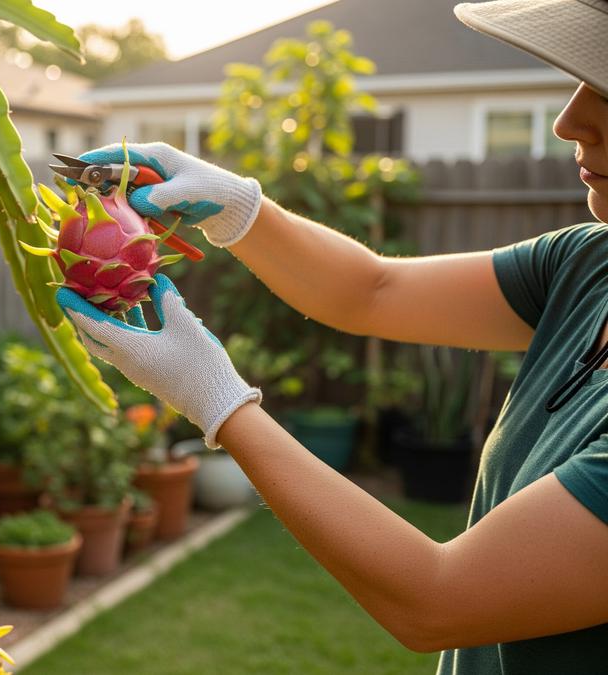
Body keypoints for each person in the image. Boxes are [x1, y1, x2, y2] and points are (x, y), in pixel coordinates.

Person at [55, 1, 608, 673]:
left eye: (606, 89)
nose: (569, 119)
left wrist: (217, 399)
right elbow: (372, 289)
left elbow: (438, 597)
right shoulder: (588, 265)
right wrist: (238, 208)